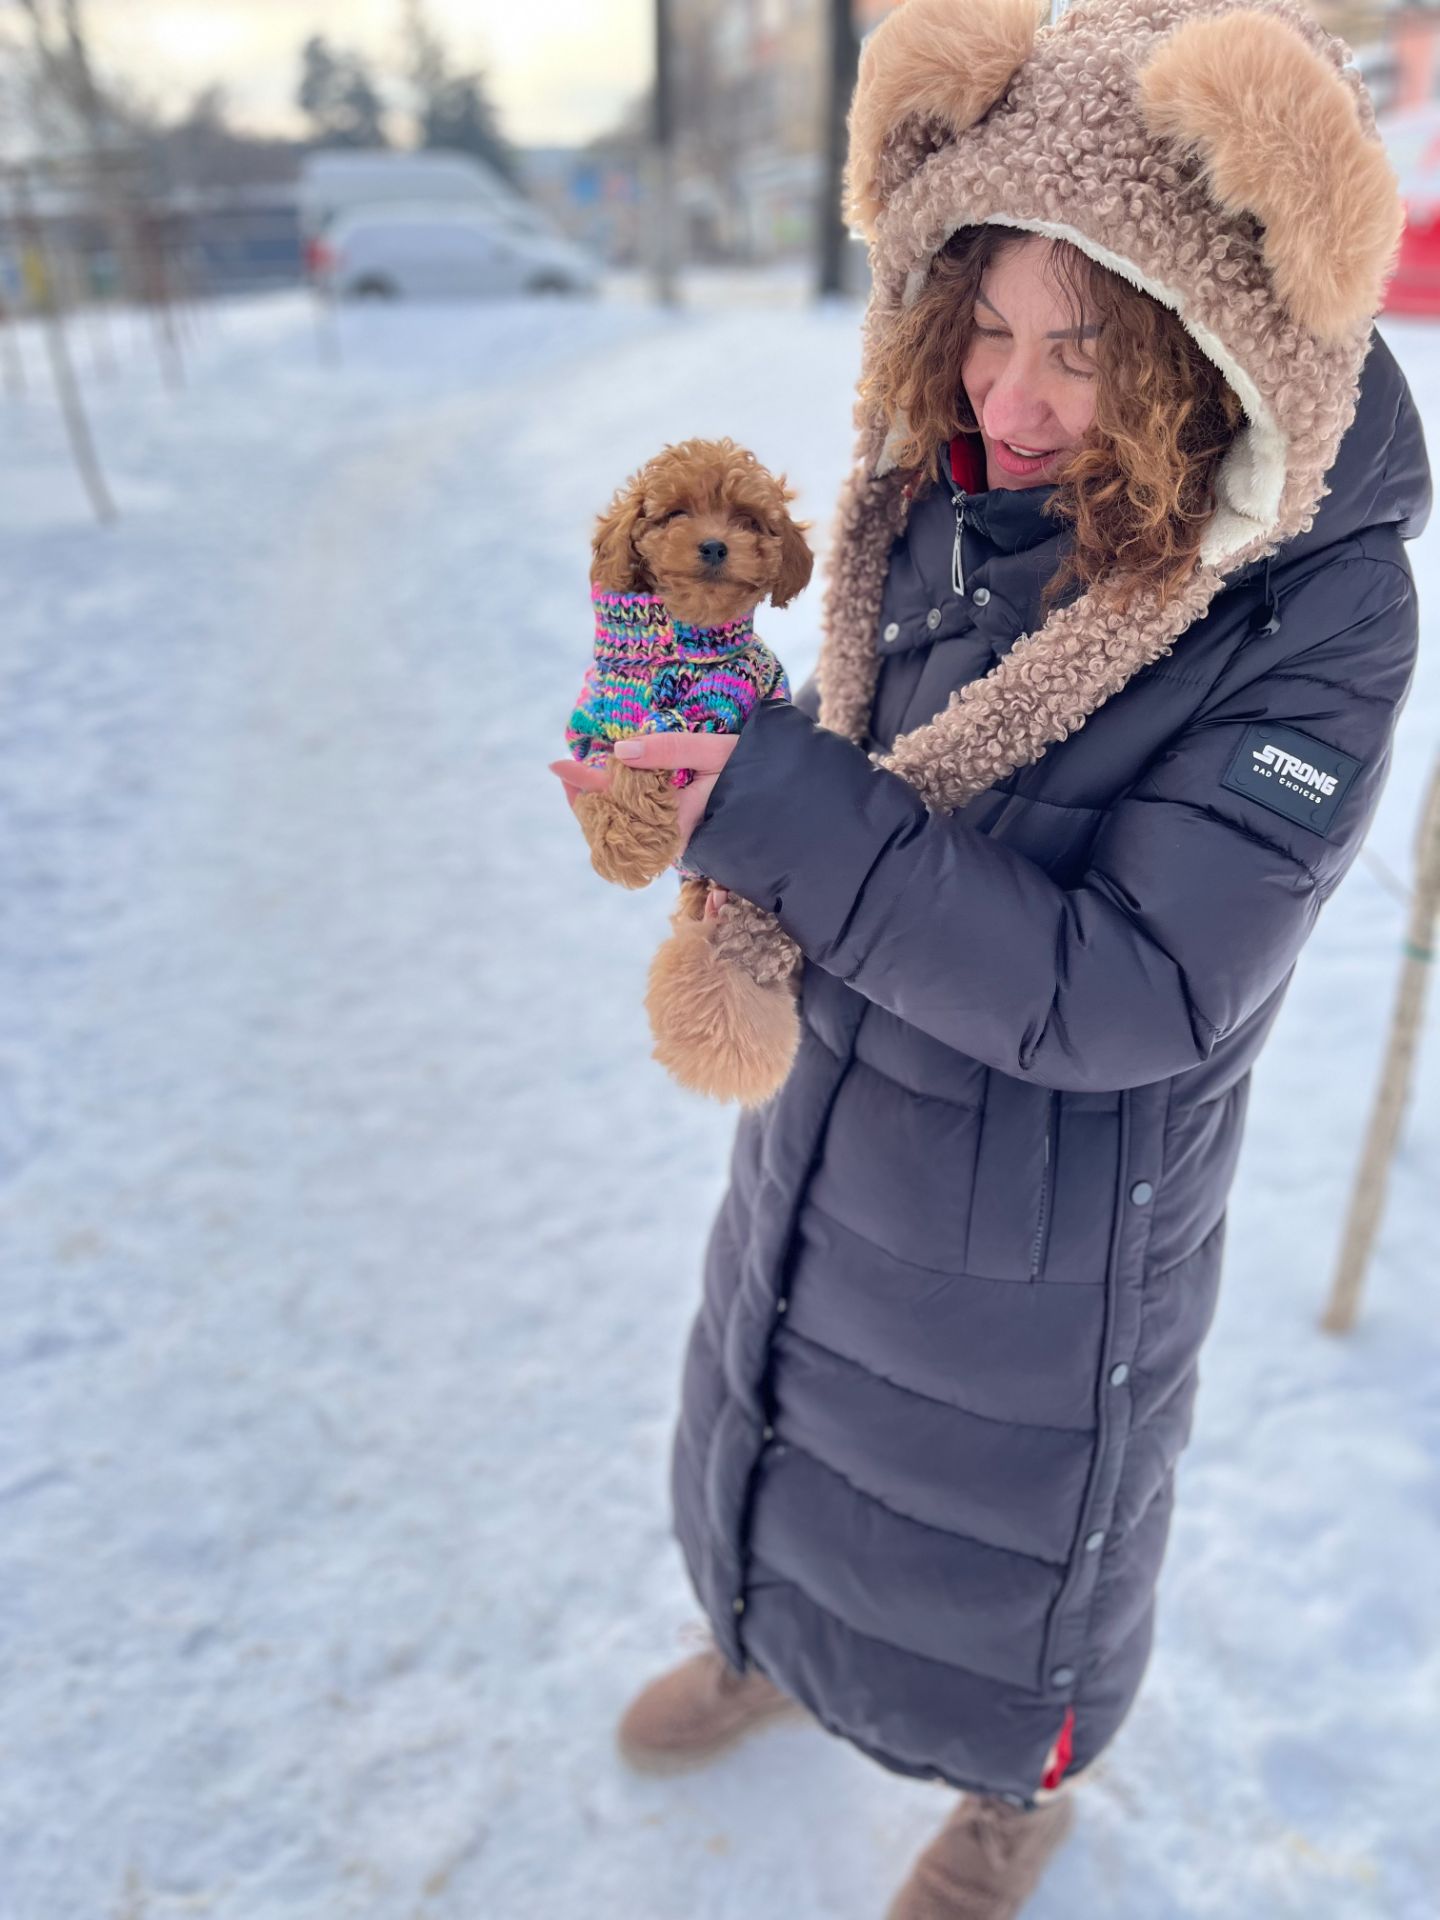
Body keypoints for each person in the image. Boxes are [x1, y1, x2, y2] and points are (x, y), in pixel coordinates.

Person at [552, 0, 1431, 1913]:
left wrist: (769, 798)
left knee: (1007, 1537)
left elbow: (1135, 991)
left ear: (1215, 348)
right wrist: (709, 711)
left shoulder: (1321, 610)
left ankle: (1012, 1788)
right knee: (774, 1389)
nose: (1014, 401)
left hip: (1052, 1221)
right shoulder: (945, 488)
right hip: (832, 1107)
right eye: (986, 323)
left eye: (1085, 351)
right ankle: (764, 1640)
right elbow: (894, 781)